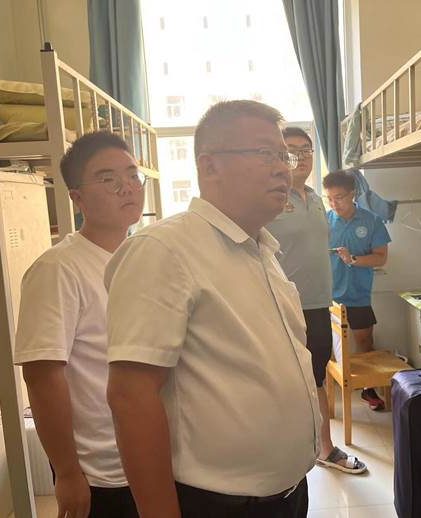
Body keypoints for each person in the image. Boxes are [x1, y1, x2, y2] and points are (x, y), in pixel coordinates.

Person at [105, 100, 322, 518]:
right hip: (218, 504)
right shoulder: (165, 249)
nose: (283, 168)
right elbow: (131, 396)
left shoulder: (262, 249)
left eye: (285, 156)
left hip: (289, 493)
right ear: (209, 166)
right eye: (265, 154)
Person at [14, 132, 146, 518]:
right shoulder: (58, 269)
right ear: (77, 198)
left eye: (133, 175)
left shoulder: (141, 257)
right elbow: (41, 376)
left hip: (151, 455)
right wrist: (68, 472)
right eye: (108, 179)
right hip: (102, 471)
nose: (127, 187)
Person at [266, 127, 367, 474]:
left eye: (306, 150)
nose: (301, 156)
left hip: (318, 304)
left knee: (317, 378)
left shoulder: (315, 198)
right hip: (281, 306)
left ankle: (325, 448)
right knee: (284, 381)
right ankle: (284, 453)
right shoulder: (270, 197)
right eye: (291, 150)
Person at [323, 170, 391, 411]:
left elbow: (381, 258)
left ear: (352, 194)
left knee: (365, 341)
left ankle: (368, 389)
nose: (334, 204)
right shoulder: (324, 222)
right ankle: (327, 394)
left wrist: (352, 259)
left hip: (359, 295)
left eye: (339, 197)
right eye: (329, 199)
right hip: (328, 297)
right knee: (327, 347)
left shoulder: (371, 221)